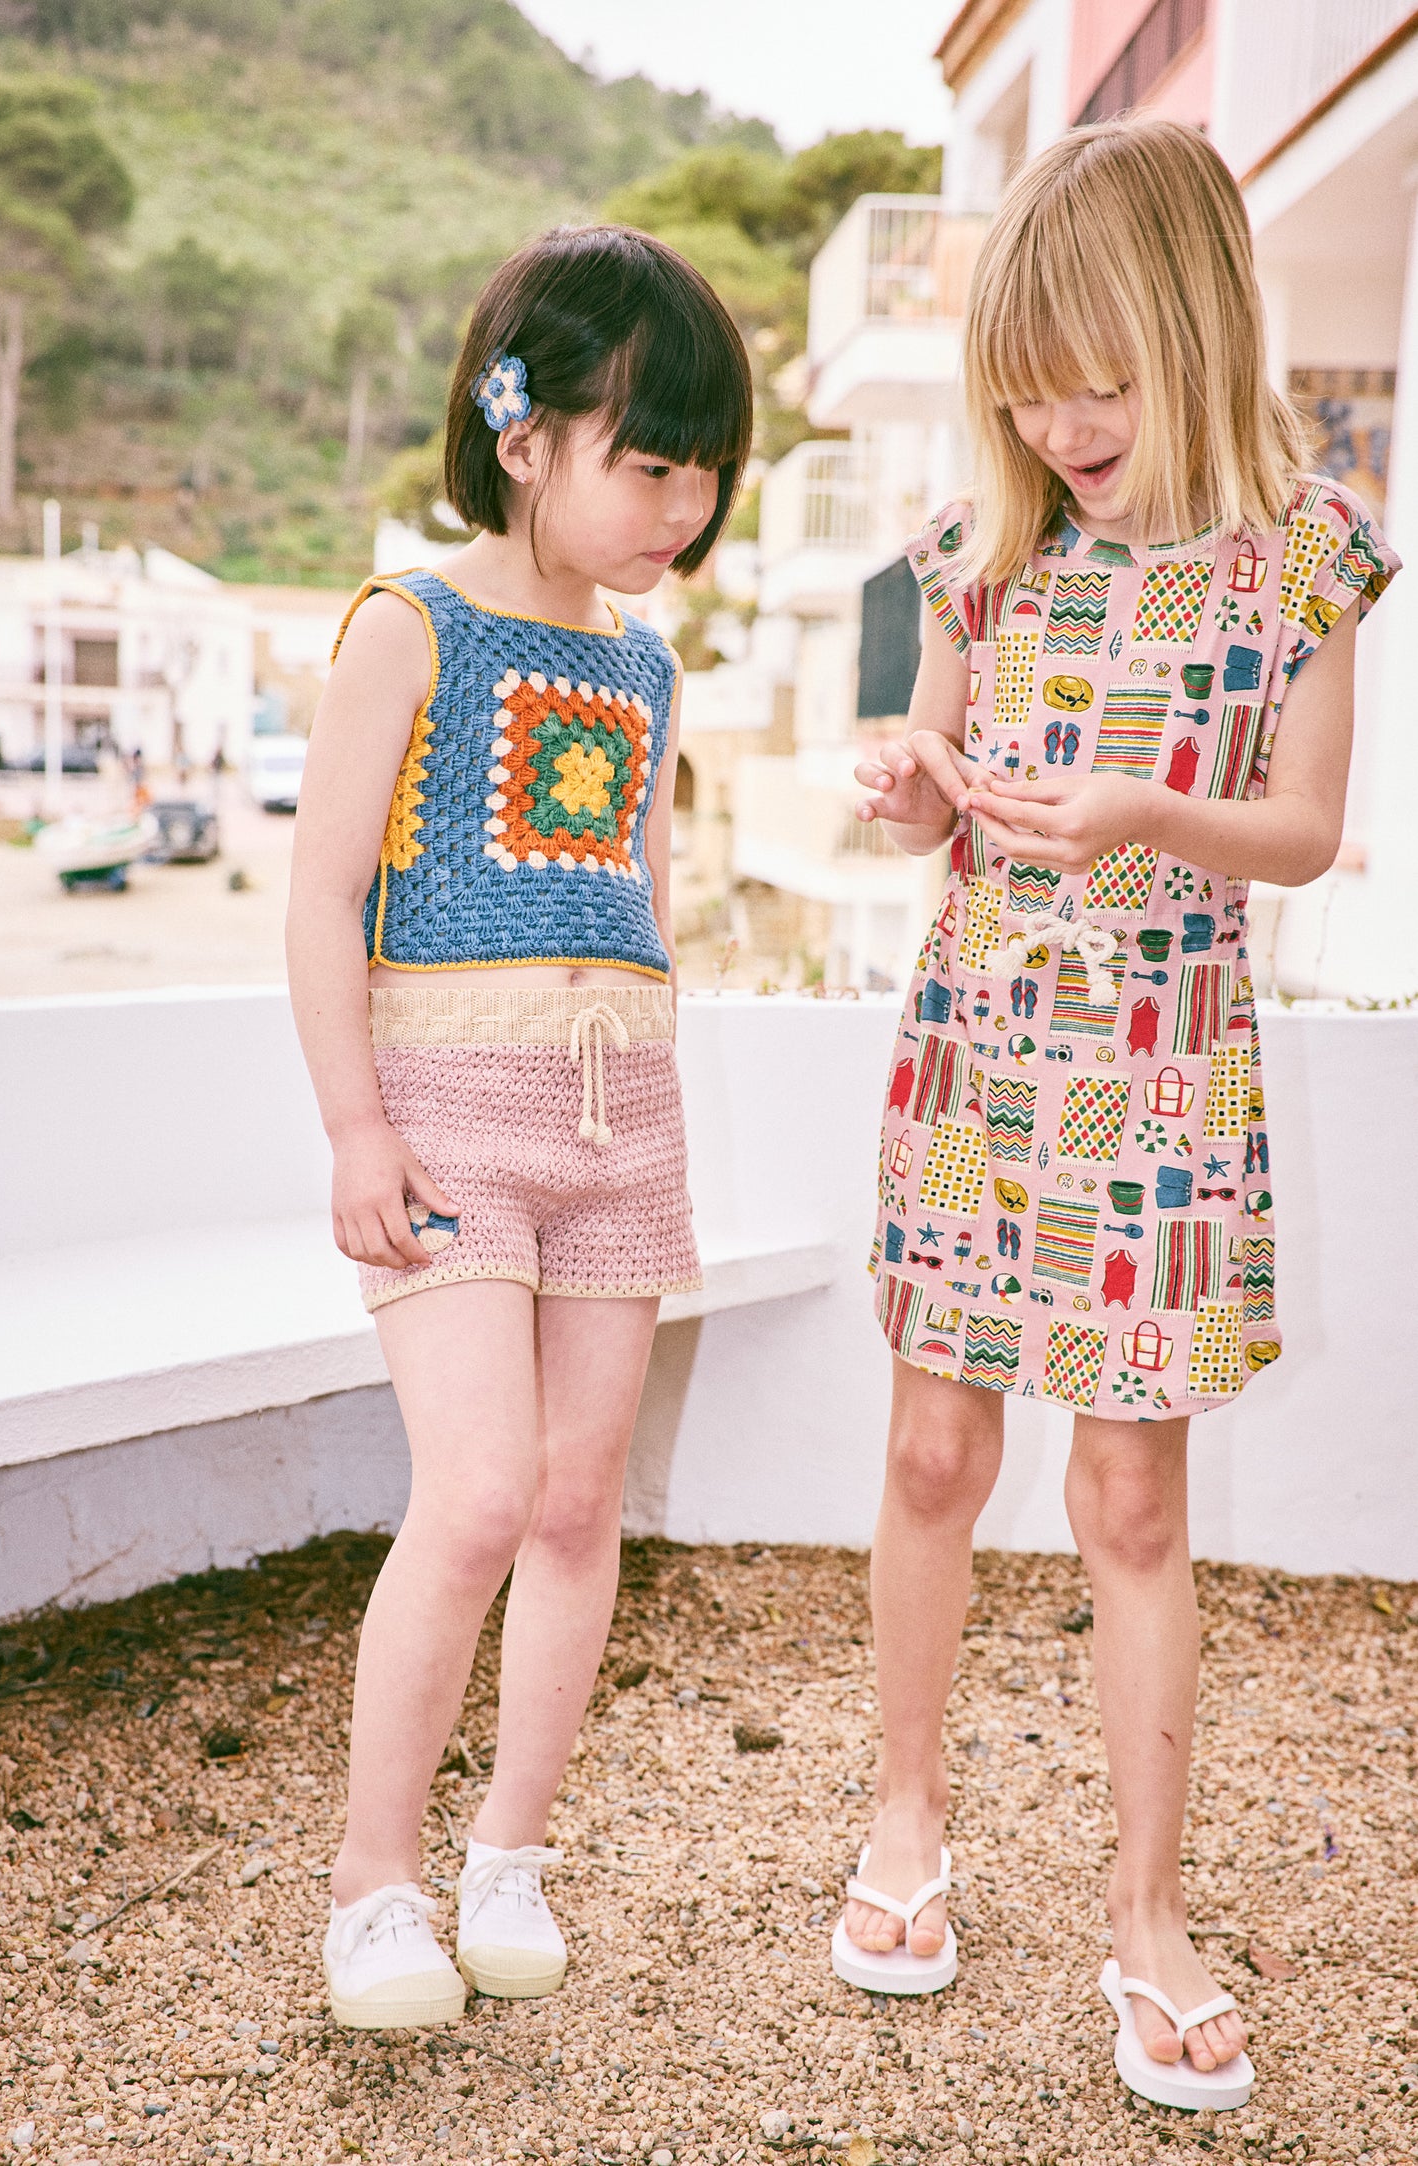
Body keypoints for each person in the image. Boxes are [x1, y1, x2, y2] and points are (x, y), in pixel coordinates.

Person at [842, 120, 1397, 2114]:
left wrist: (1147, 812)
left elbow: (1307, 831)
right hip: (981, 1049)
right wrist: (907, 787)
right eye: (1027, 386)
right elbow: (930, 789)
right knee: (931, 1451)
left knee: (1131, 1502)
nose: (1060, 427)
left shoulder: (1307, 554)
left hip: (1161, 1066)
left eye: (1100, 381)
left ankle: (1144, 1917)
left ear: (1194, 332)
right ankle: (904, 1813)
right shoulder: (979, 554)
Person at [285, 225, 751, 2030]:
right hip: (445, 1119)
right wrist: (355, 1127)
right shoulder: (407, 627)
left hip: (619, 1117)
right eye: (651, 465)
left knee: (573, 1499)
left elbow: (638, 899)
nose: (681, 510)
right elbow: (325, 897)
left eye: (707, 476)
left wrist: (645, 1068)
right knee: (478, 1490)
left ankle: (509, 1855)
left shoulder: (647, 669)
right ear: (523, 430)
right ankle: (371, 1878)